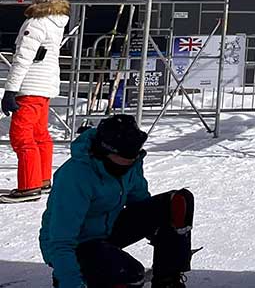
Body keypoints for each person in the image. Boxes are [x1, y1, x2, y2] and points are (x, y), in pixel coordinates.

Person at [40, 115, 194, 288]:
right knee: (130, 275)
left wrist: (166, 238)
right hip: (75, 243)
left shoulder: (131, 161)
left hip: (107, 229)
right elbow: (61, 240)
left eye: (132, 159)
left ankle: (166, 282)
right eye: (124, 161)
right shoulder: (76, 176)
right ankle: (78, 275)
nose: (129, 165)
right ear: (105, 153)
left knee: (178, 202)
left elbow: (141, 204)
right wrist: (69, 282)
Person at [2, 0, 69, 204]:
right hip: (46, 86)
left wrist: (10, 90)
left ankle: (29, 186)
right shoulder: (56, 21)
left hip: (30, 86)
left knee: (21, 135)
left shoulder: (35, 24)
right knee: (40, 133)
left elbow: (22, 59)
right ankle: (42, 179)